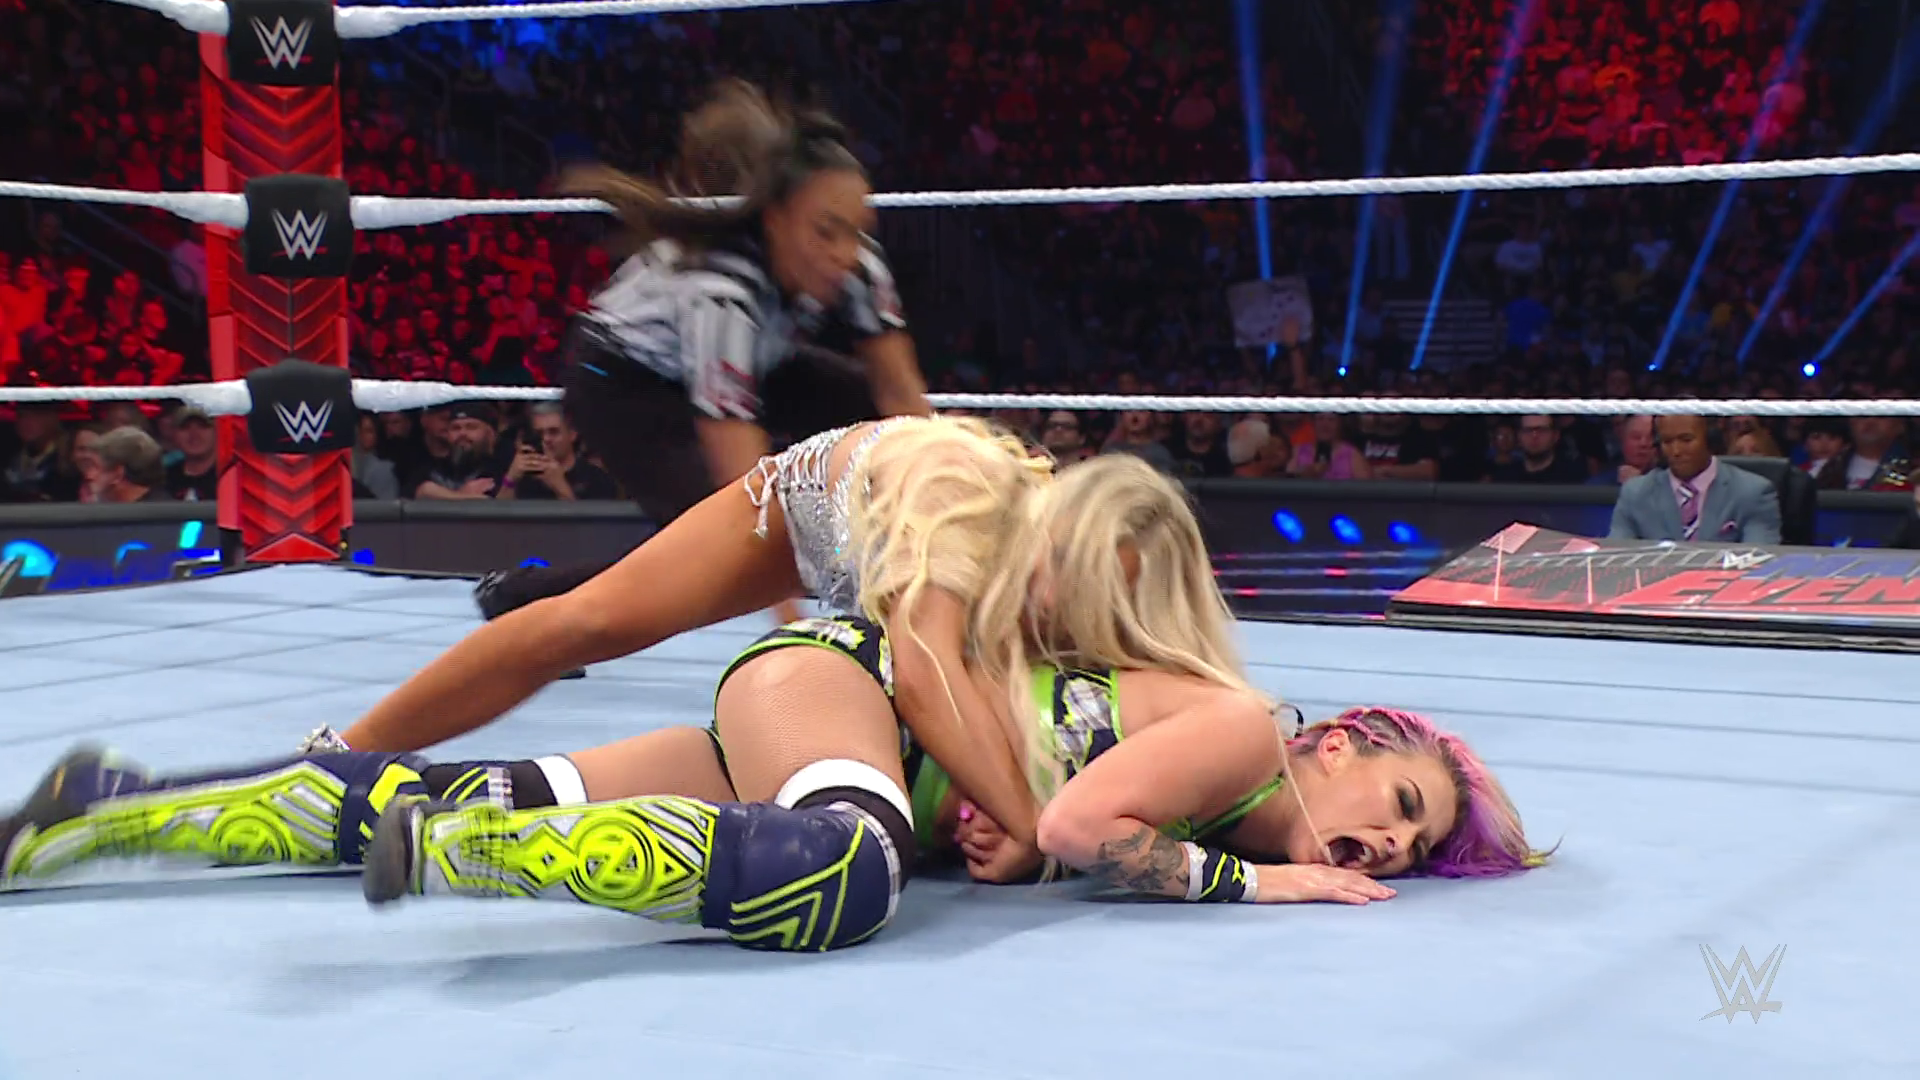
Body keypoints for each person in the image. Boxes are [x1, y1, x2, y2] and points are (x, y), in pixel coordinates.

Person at [0, 612, 1543, 951]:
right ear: (1342, 745)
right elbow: (1082, 822)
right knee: (844, 874)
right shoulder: (1247, 729)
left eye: (1417, 854)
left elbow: (1053, 812)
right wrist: (1261, 880)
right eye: (1406, 810)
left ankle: (113, 807)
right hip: (847, 686)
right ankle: (463, 863)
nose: (1388, 848)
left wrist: (1020, 836)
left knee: (495, 786)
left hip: (830, 737)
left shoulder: (1206, 756)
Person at [301, 434, 1245, 854]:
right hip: (813, 509)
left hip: (901, 567)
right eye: (1075, 582)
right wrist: (1036, 826)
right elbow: (926, 679)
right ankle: (340, 756)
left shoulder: (1064, 572)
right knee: (585, 623)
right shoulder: (968, 509)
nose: (1070, 614)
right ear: (1060, 538)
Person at [472, 80, 932, 627]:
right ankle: (529, 598)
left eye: (857, 231)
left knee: (884, 421)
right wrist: (791, 626)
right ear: (776, 220)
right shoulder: (719, 290)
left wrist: (947, 499)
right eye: (826, 232)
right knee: (704, 548)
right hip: (622, 382)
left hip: (755, 358)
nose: (844, 253)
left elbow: (901, 395)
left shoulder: (859, 267)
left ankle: (910, 576)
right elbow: (744, 488)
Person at [1608, 413, 1782, 544]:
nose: (1676, 451)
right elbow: (1617, 556)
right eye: (1667, 442)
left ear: (1709, 439)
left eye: (1686, 440)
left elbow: (1760, 561)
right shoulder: (1635, 493)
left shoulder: (1752, 492)